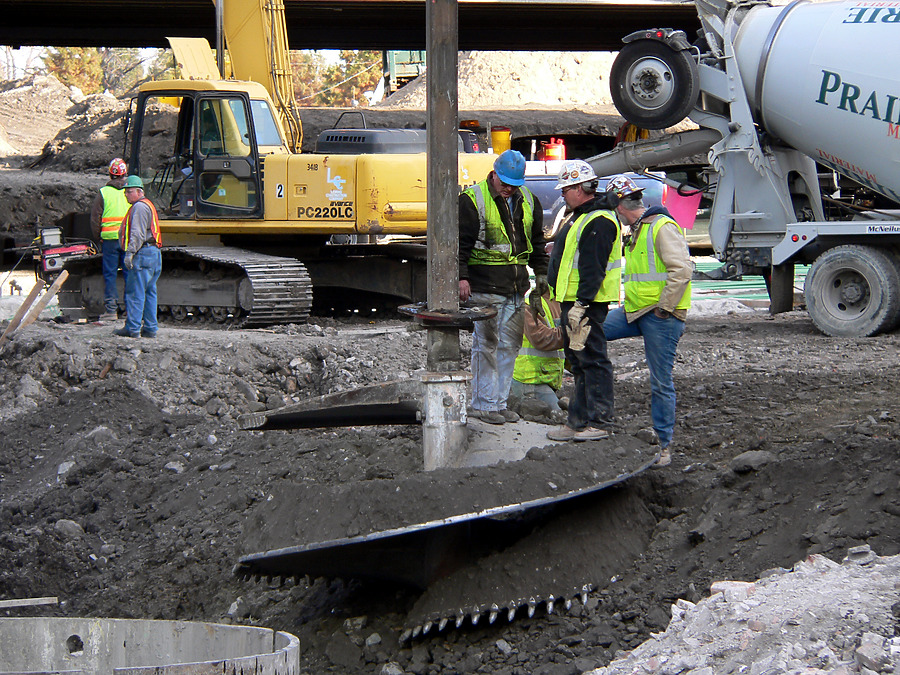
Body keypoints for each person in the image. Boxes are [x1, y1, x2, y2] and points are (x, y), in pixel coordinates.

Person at [603, 174, 692, 467]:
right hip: (637, 311)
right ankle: (593, 415)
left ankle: (664, 446)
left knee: (660, 382)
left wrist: (664, 309)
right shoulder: (640, 229)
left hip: (660, 316)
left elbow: (682, 270)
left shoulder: (661, 227)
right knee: (592, 331)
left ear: (619, 207)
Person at [459, 149, 548, 425]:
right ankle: (483, 404)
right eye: (505, 183)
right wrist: (461, 277)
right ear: (494, 174)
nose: (508, 189)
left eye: (514, 184)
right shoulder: (472, 200)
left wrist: (541, 275)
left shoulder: (528, 201)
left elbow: (536, 242)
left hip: (515, 287)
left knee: (509, 346)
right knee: (486, 344)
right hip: (485, 285)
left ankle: (498, 403)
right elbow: (459, 244)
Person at [546, 160, 622, 442]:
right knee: (579, 362)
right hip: (575, 302)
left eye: (566, 189)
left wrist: (581, 305)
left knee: (592, 361)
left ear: (579, 188)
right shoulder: (583, 217)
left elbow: (593, 268)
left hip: (586, 305)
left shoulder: (598, 220)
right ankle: (577, 421)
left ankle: (599, 422)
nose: (563, 194)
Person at [115, 176, 162, 339]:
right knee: (150, 292)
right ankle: (150, 328)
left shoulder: (139, 207)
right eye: (126, 192)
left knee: (136, 292)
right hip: (153, 253)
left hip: (143, 253)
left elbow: (137, 233)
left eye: (129, 192)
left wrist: (130, 253)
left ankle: (133, 328)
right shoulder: (147, 205)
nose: (126, 195)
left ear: (139, 192)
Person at [89, 157, 130, 321]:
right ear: (125, 173)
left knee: (110, 275)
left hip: (109, 241)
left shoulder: (104, 193)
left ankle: (111, 310)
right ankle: (130, 311)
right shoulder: (131, 192)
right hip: (127, 240)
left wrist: (98, 237)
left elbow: (95, 219)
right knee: (130, 275)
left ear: (110, 174)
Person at [510, 290, 565, 411]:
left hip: (546, 379)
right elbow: (541, 339)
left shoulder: (560, 304)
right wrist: (571, 331)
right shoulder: (529, 305)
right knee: (558, 414)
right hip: (528, 380)